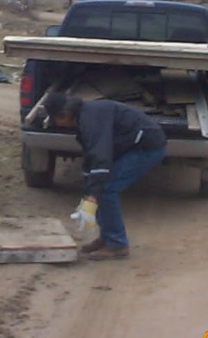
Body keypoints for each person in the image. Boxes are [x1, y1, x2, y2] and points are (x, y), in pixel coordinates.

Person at [43, 92, 166, 261]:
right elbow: (90, 157)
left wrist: (93, 197)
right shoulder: (83, 117)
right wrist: (87, 194)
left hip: (148, 147)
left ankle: (117, 244)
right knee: (99, 187)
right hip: (129, 145)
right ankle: (107, 237)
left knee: (107, 188)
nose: (56, 124)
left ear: (64, 115)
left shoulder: (91, 120)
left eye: (55, 119)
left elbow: (101, 158)